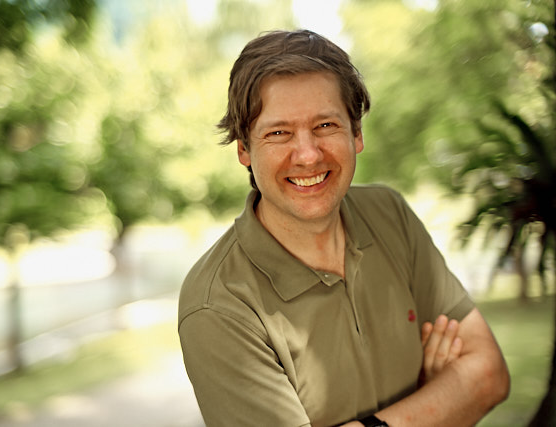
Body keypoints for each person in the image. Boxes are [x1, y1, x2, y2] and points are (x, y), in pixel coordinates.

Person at [178, 29, 509, 427]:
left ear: (356, 134)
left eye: (325, 126)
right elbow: (465, 386)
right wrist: (438, 401)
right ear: (244, 149)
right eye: (279, 132)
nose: (307, 154)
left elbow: (488, 374)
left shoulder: (389, 213)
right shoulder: (218, 305)